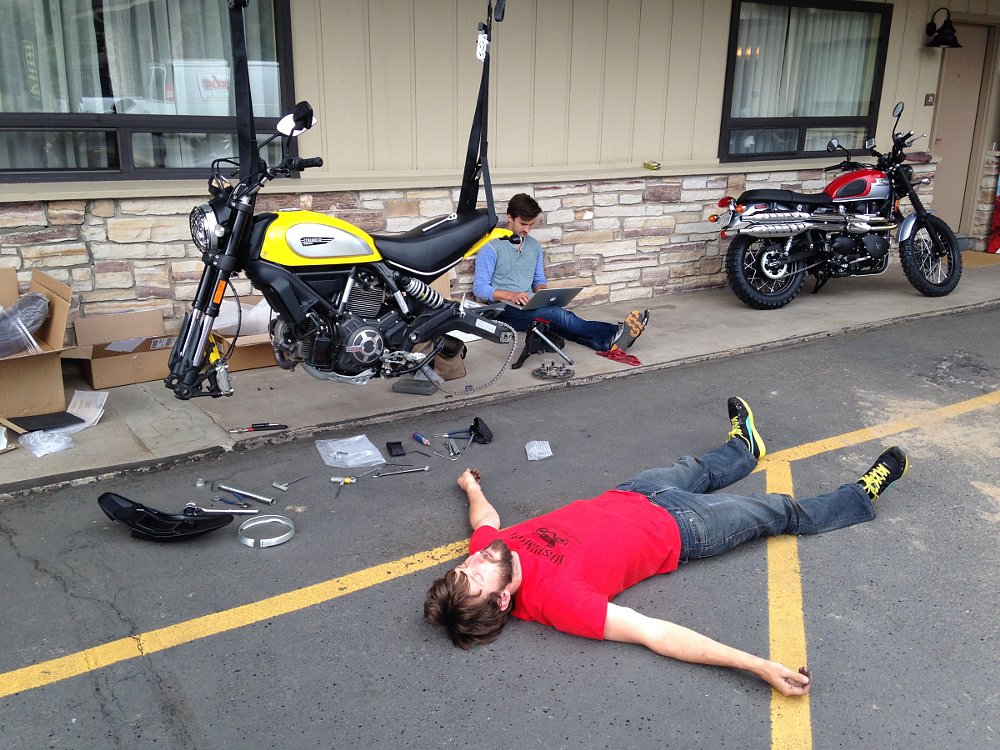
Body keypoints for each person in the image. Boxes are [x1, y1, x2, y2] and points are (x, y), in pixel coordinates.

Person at [424, 397, 909, 696]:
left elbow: (485, 522)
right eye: (475, 574)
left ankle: (744, 448)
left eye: (464, 565)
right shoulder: (559, 603)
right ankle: (858, 497)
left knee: (696, 467)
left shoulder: (494, 550)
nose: (475, 557)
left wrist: (470, 487)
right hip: (685, 527)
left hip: (632, 492)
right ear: (501, 600)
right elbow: (656, 633)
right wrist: (757, 665)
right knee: (775, 511)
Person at [472, 193, 649, 353]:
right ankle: (616, 331)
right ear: (510, 217)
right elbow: (480, 288)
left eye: (531, 225)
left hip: (529, 304)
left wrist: (543, 293)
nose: (527, 230)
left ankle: (606, 342)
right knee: (557, 315)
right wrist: (511, 295)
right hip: (503, 310)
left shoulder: (534, 246)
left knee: (560, 324)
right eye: (523, 224)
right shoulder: (491, 248)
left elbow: (538, 280)